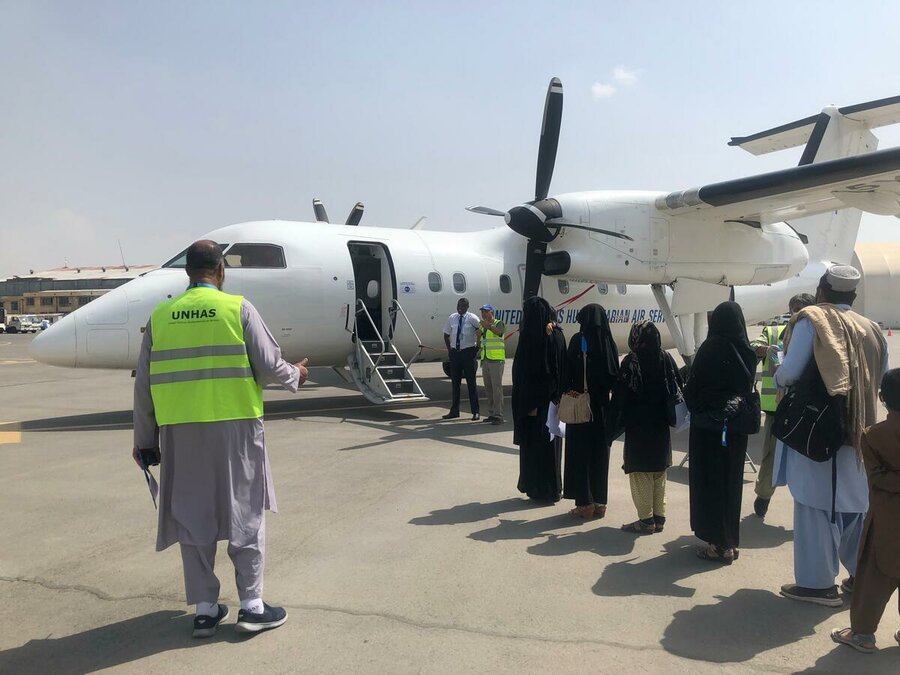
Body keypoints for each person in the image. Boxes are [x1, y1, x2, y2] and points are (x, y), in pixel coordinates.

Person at [132, 240, 308, 637]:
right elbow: (268, 365)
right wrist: (296, 374)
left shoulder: (160, 317)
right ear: (221, 271)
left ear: (188, 272)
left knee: (192, 517)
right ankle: (252, 605)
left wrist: (145, 442)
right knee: (245, 512)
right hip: (236, 428)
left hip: (179, 432)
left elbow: (143, 387)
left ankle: (207, 610)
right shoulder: (238, 309)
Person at [775, 265, 887, 607]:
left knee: (815, 508)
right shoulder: (871, 328)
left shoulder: (812, 320)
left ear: (822, 290)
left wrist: (778, 377)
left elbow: (790, 372)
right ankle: (860, 575)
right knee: (854, 509)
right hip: (859, 430)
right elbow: (880, 378)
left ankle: (818, 585)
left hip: (819, 431)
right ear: (852, 296)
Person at [831, 369, 900, 653]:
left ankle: (862, 634)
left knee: (873, 577)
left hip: (887, 518)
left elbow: (877, 477)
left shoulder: (873, 435)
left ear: (882, 398)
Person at [684, 301, 757, 564]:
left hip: (710, 429)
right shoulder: (747, 350)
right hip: (735, 428)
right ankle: (730, 540)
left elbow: (693, 390)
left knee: (710, 483)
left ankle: (718, 544)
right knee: (731, 482)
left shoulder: (711, 347)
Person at [751, 293, 816, 518]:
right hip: (776, 407)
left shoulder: (818, 334)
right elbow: (753, 346)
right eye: (794, 308)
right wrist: (765, 349)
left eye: (801, 309)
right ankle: (764, 495)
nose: (796, 313)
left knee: (809, 456)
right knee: (771, 455)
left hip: (807, 408)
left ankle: (808, 503)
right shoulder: (775, 331)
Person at [616, 321, 682, 534]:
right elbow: (678, 384)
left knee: (640, 473)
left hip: (638, 426)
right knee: (659, 472)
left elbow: (621, 396)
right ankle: (659, 518)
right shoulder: (666, 358)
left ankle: (645, 521)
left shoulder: (631, 362)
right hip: (661, 425)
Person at [561, 304, 619, 519]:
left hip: (582, 408)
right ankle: (600, 502)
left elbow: (567, 372)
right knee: (600, 456)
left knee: (581, 455)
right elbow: (615, 375)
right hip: (602, 408)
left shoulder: (579, 341)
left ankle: (584, 504)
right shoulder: (609, 343)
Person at [512, 296, 567, 502]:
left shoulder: (531, 340)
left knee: (535, 448)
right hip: (552, 404)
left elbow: (524, 374)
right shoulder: (557, 336)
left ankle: (536, 486)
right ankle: (552, 487)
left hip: (535, 406)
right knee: (551, 448)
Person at [442, 298, 481, 420]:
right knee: (455, 384)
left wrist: (477, 348)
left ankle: (475, 411)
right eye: (458, 305)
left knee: (471, 383)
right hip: (455, 354)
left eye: (463, 306)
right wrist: (450, 350)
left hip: (468, 353)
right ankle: (454, 411)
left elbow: (481, 332)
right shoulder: (452, 318)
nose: (460, 308)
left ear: (467, 307)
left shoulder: (472, 318)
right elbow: (446, 334)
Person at [478, 304, 506, 425]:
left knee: (497, 389)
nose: (483, 314)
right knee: (488, 389)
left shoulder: (498, 323)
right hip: (486, 360)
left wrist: (488, 326)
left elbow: (499, 332)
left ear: (491, 312)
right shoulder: (482, 326)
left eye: (485, 311)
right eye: (482, 312)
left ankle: (498, 415)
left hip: (496, 360)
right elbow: (480, 340)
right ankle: (491, 413)